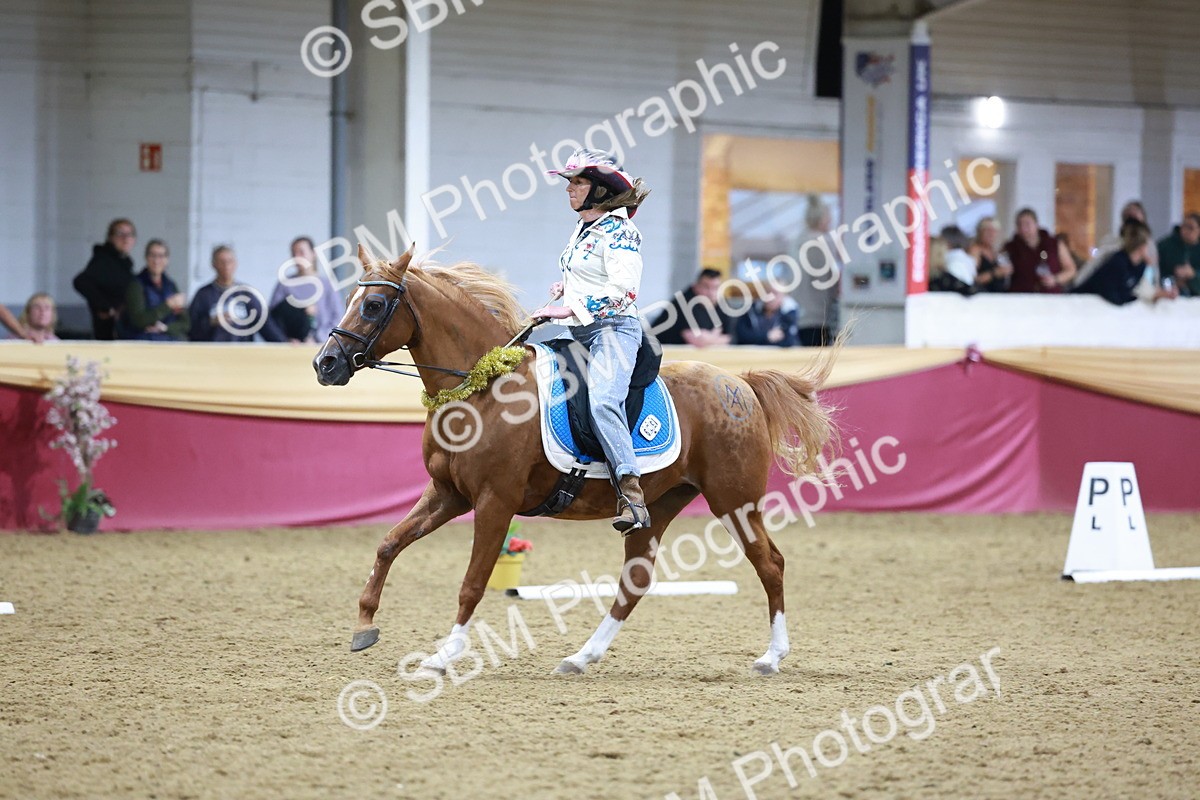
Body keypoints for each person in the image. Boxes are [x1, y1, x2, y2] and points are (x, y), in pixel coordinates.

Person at [530, 148, 652, 533]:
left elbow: (625, 291)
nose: (570, 190)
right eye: (570, 183)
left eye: (578, 183)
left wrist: (569, 308)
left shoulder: (622, 231)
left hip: (615, 330)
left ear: (599, 190)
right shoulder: (586, 227)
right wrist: (566, 285)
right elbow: (593, 275)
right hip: (580, 329)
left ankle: (631, 493)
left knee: (602, 401)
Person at [190, 245, 281, 342]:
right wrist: (211, 322)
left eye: (230, 261)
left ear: (235, 264)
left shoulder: (247, 293)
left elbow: (265, 324)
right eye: (221, 262)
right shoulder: (203, 294)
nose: (226, 266)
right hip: (211, 351)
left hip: (241, 350)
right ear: (213, 265)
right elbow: (191, 328)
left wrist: (285, 343)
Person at [1074, 221, 1175, 306]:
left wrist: (1159, 294)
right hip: (1082, 301)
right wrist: (1132, 298)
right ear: (1142, 247)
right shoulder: (1118, 262)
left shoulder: (1140, 266)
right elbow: (1113, 294)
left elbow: (1140, 289)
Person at [269, 236, 345, 341]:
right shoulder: (285, 284)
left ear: (313, 254)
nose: (297, 257)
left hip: (322, 347)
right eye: (294, 253)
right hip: (291, 347)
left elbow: (338, 318)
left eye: (301, 252)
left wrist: (318, 338)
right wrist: (285, 340)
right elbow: (273, 319)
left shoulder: (328, 284)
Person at [73, 218, 137, 339]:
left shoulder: (124, 262)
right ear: (111, 237)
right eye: (120, 234)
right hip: (110, 329)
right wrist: (106, 307)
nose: (126, 238)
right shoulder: (104, 260)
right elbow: (81, 282)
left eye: (130, 234)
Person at [791, 195, 839, 346]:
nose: (831, 221)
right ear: (822, 219)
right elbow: (831, 280)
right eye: (829, 217)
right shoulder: (823, 242)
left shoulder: (796, 241)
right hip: (819, 316)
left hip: (800, 315)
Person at [122, 239, 189, 341]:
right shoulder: (136, 285)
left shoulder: (171, 286)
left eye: (161, 256)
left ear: (167, 259)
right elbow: (138, 320)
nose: (156, 261)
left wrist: (165, 328)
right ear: (146, 258)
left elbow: (185, 323)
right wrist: (168, 305)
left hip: (169, 342)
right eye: (152, 255)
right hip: (143, 341)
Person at [647, 269, 734, 347]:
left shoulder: (722, 304)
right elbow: (697, 341)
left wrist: (709, 338)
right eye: (706, 287)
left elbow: (731, 338)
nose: (711, 293)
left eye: (715, 288)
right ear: (695, 286)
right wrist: (715, 336)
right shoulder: (683, 302)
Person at [1002, 208, 1077, 293]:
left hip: (1049, 296)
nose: (1023, 228)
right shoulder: (1010, 247)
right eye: (1020, 225)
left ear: (1036, 224)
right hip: (1021, 297)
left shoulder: (1054, 244)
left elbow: (1071, 269)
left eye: (1027, 224)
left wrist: (1055, 279)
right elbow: (1000, 266)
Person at [1156, 213, 1200, 298]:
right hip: (1170, 295)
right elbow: (1157, 270)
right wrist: (1174, 281)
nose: (1186, 231)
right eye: (1184, 226)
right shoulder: (1166, 245)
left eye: (1191, 228)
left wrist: (1193, 275)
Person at [735, 290, 799, 346]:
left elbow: (789, 341)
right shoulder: (750, 310)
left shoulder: (788, 313)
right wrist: (767, 335)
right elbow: (742, 336)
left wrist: (757, 338)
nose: (770, 297)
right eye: (767, 292)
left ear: (784, 297)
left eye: (775, 293)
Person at [968, 217, 1013, 292]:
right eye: (987, 230)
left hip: (998, 297)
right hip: (983, 296)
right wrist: (994, 273)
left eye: (994, 231)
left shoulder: (996, 252)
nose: (991, 234)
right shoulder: (975, 250)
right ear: (979, 232)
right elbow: (972, 280)